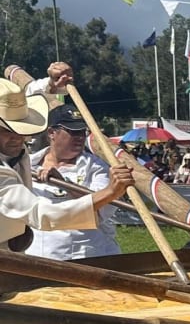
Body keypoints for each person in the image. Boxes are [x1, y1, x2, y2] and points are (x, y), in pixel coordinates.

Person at [0, 78, 133, 250]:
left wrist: (50, 84)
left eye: (21, 130)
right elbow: (42, 214)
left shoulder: (17, 153)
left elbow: (23, 95)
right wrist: (111, 191)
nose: (17, 138)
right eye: (6, 131)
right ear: (52, 133)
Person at [26, 103, 121, 259]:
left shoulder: (97, 167)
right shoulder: (27, 165)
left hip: (87, 258)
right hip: (36, 259)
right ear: (51, 133)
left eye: (82, 132)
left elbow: (99, 211)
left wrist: (64, 183)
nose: (80, 137)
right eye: (72, 131)